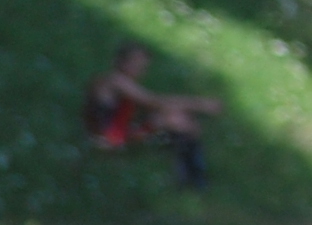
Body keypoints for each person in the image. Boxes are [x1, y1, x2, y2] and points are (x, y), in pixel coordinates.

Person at [82, 44, 221, 188]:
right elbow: (154, 102)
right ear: (121, 61)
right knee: (177, 120)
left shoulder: (118, 83)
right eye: (135, 63)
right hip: (108, 140)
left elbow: (144, 108)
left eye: (142, 66)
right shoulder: (116, 80)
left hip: (114, 136)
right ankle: (194, 176)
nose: (139, 69)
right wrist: (201, 104)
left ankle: (191, 172)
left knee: (177, 118)